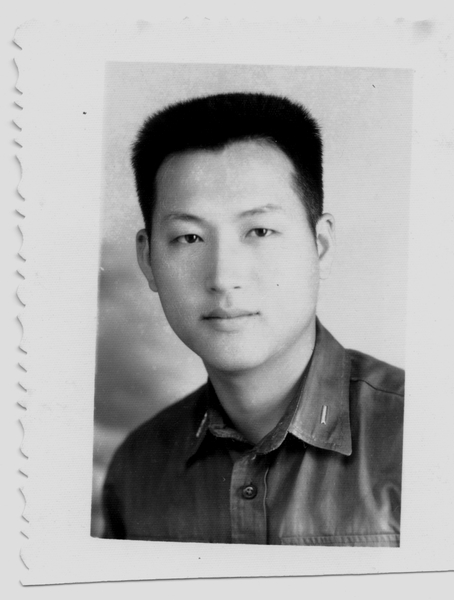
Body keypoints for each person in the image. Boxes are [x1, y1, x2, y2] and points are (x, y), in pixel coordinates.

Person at [101, 92, 404, 546]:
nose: (224, 277)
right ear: (148, 260)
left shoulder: (422, 435)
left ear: (320, 245)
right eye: (189, 237)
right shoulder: (136, 468)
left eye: (260, 231)